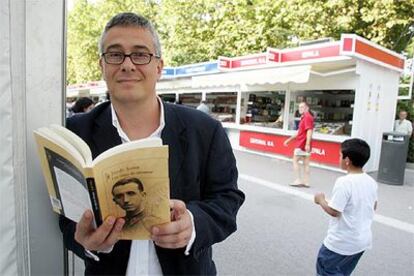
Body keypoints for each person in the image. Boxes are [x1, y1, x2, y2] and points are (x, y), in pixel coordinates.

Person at [59, 12, 244, 275]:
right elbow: (65, 213)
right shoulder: (76, 132)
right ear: (102, 66)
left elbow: (228, 199)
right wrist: (86, 242)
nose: (127, 65)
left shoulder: (205, 130)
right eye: (114, 54)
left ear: (159, 67)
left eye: (140, 54)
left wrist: (193, 223)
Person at [314, 138, 378, 276]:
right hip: (361, 242)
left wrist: (321, 200)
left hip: (340, 244)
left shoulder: (344, 182)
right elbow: (373, 205)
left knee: (327, 270)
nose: (338, 158)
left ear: (347, 160)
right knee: (343, 272)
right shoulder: (371, 181)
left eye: (339, 155)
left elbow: (334, 211)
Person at [283, 102, 314, 187]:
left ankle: (298, 180)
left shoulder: (307, 117)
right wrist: (289, 140)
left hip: (301, 144)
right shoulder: (305, 117)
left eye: (302, 107)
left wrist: (307, 143)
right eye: (299, 107)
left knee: (295, 160)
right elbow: (299, 132)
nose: (300, 109)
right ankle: (306, 182)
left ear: (307, 108)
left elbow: (309, 131)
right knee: (306, 163)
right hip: (305, 144)